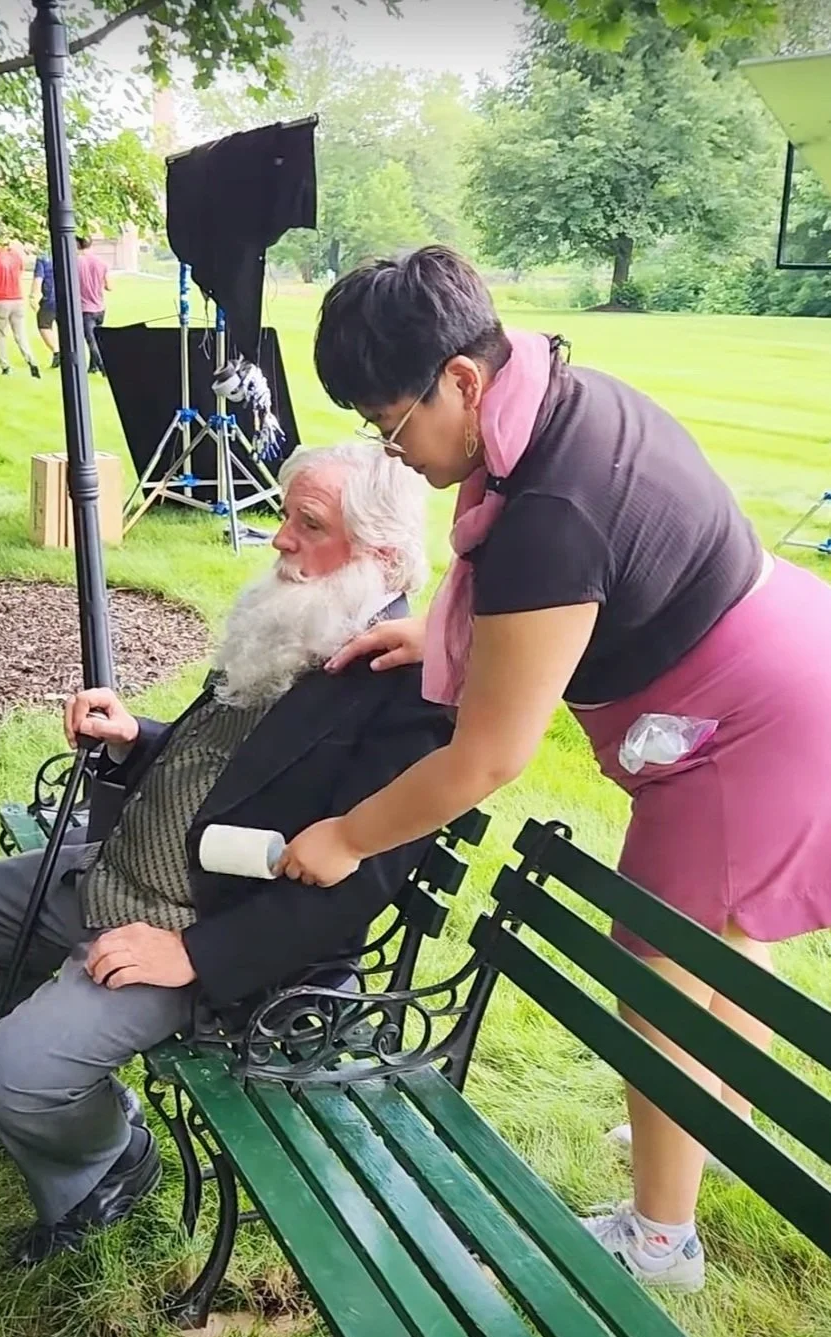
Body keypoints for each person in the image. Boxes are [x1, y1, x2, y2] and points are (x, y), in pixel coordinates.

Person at [278, 246, 831, 1294]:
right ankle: (709, 1116)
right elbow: (544, 619)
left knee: (654, 963)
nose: (394, 455)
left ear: (462, 380)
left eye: (391, 424)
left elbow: (488, 752)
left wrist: (346, 836)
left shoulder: (549, 509)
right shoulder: (557, 398)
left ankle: (661, 1238)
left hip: (753, 721)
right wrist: (442, 646)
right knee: (724, 933)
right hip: (792, 656)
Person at [0, 443, 449, 1266]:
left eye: (307, 524)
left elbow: (353, 885)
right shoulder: (306, 615)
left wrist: (192, 953)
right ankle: (79, 1112)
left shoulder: (404, 691)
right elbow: (220, 766)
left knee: (8, 1075)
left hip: (204, 927)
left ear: (381, 555)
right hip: (117, 870)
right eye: (284, 515)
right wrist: (134, 740)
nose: (279, 539)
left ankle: (102, 1163)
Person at [0, 226, 40, 379]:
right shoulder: (16, 256)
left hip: (2, 300)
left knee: (0, 334)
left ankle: (5, 366)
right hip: (17, 299)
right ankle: (31, 360)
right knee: (20, 334)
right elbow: (19, 274)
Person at [76, 235, 111, 375]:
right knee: (98, 337)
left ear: (78, 244)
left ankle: (104, 367)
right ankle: (93, 367)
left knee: (91, 341)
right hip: (100, 307)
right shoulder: (102, 263)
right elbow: (110, 286)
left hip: (85, 309)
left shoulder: (75, 263)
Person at [30, 251, 60, 369]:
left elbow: (38, 279)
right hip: (65, 297)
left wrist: (33, 296)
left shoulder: (43, 258)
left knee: (44, 325)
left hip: (50, 298)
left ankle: (57, 351)